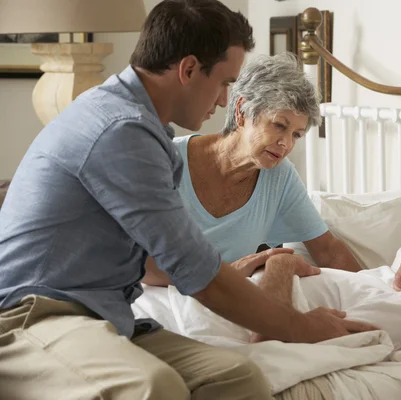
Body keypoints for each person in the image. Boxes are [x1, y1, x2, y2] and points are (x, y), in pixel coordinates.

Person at [0, 1, 374, 400]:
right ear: (189, 69)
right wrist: (301, 326)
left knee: (238, 377)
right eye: (225, 83)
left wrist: (278, 267)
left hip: (105, 314)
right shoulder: (120, 130)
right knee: (152, 387)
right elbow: (194, 269)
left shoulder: (148, 131)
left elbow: (167, 261)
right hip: (33, 316)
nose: (222, 101)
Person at [143, 53, 362, 290]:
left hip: (224, 304)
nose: (286, 144)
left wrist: (374, 293)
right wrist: (227, 272)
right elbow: (134, 261)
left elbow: (328, 251)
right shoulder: (164, 159)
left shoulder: (279, 176)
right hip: (155, 299)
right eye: (279, 125)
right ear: (242, 111)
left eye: (296, 135)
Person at [249, 198, 401, 347]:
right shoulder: (382, 278)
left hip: (237, 320)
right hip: (231, 304)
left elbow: (268, 340)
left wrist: (280, 266)